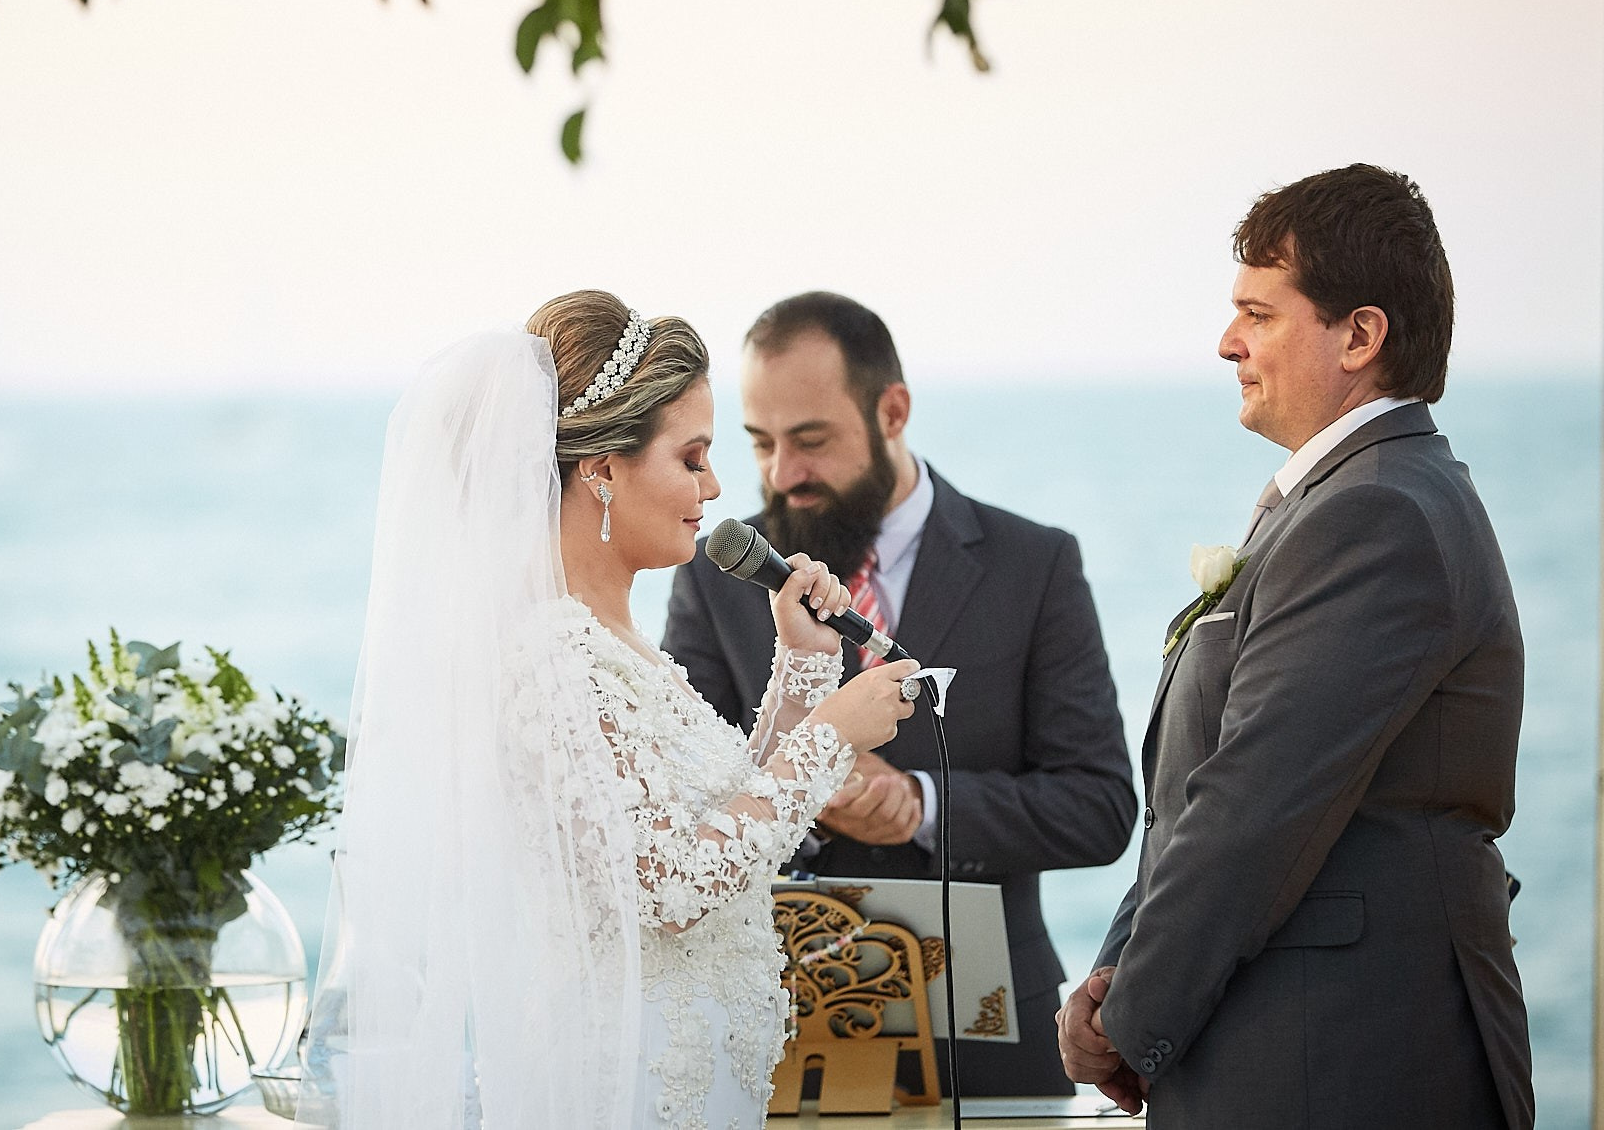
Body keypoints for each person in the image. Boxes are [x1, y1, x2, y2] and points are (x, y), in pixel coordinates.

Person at [304, 290, 921, 1130]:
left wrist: (805, 665)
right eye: (692, 456)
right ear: (601, 468)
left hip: (704, 1078)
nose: (714, 485)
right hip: (627, 1081)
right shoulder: (544, 658)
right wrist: (829, 734)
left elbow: (730, 826)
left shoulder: (618, 642)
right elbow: (669, 887)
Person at [1058, 165, 1534, 1128]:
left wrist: (1136, 1014)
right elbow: (1195, 800)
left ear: (1360, 334)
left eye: (1259, 314)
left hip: (1345, 1062)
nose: (1228, 342)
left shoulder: (1379, 513)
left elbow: (1255, 806)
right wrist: (1115, 972)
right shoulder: (1340, 501)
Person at [664, 291, 1136, 1095]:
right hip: (777, 1036)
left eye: (811, 440)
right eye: (762, 443)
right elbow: (690, 799)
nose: (784, 474)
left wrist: (921, 804)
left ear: (893, 410)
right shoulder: (719, 576)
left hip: (986, 1037)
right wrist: (803, 807)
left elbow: (1100, 806)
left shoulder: (1035, 564)